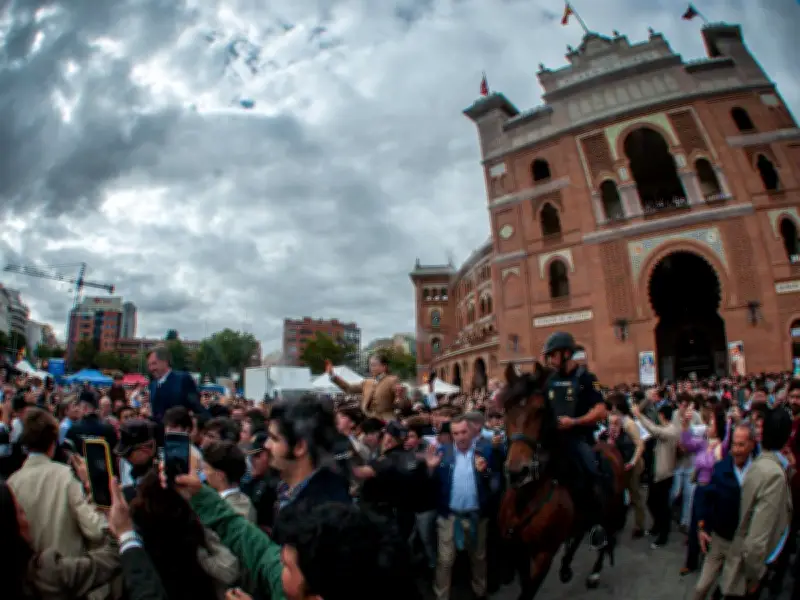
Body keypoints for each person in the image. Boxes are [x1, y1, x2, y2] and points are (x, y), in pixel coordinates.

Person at [541, 331, 609, 550]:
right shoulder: (549, 380)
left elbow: (601, 411)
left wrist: (575, 421)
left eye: (553, 355)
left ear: (566, 353)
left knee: (592, 470)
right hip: (554, 439)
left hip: (579, 437)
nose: (550, 360)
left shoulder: (587, 379)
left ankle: (597, 524)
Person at [326, 354, 400, 421]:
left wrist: (400, 395)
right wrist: (333, 375)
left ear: (384, 367)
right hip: (368, 419)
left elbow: (400, 402)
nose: (371, 368)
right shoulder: (367, 382)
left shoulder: (392, 380)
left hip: (386, 420)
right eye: (370, 365)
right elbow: (349, 388)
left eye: (374, 365)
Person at [147, 345, 208, 423]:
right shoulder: (153, 385)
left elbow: (197, 408)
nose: (151, 368)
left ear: (165, 361)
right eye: (149, 365)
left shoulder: (183, 379)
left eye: (154, 364)